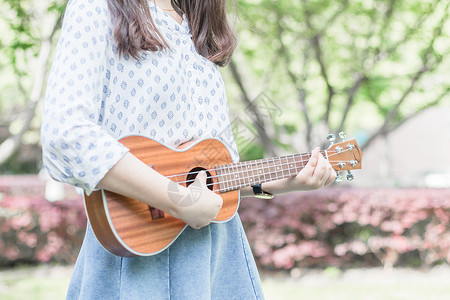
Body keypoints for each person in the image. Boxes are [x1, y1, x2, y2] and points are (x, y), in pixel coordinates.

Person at [41, 0, 336, 299]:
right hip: (135, 251)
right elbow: (65, 134)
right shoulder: (95, 6)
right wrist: (178, 201)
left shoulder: (196, 25)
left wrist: (283, 181)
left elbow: (211, 176)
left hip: (219, 257)